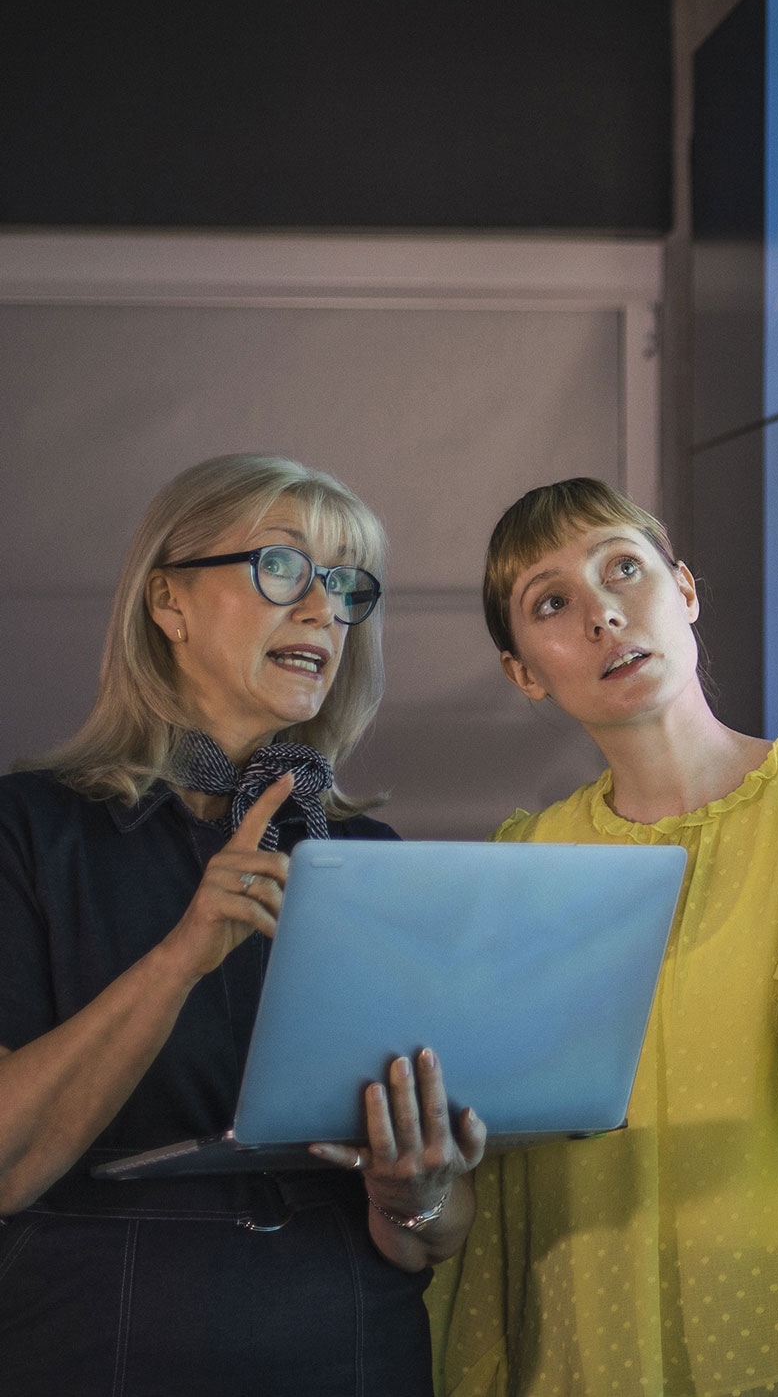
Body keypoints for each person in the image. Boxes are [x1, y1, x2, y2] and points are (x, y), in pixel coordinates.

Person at [429, 478, 778, 1396]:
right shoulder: (528, 862)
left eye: (623, 569)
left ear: (683, 591)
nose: (601, 614)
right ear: (524, 670)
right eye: (552, 602)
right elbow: (494, 1166)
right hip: (598, 1351)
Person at [0, 454, 486, 1396]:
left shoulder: (373, 854)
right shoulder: (27, 829)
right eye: (282, 567)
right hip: (101, 1339)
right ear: (168, 601)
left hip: (353, 1339)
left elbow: (439, 1235)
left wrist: (415, 1193)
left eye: (344, 584)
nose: (322, 610)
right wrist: (181, 957)